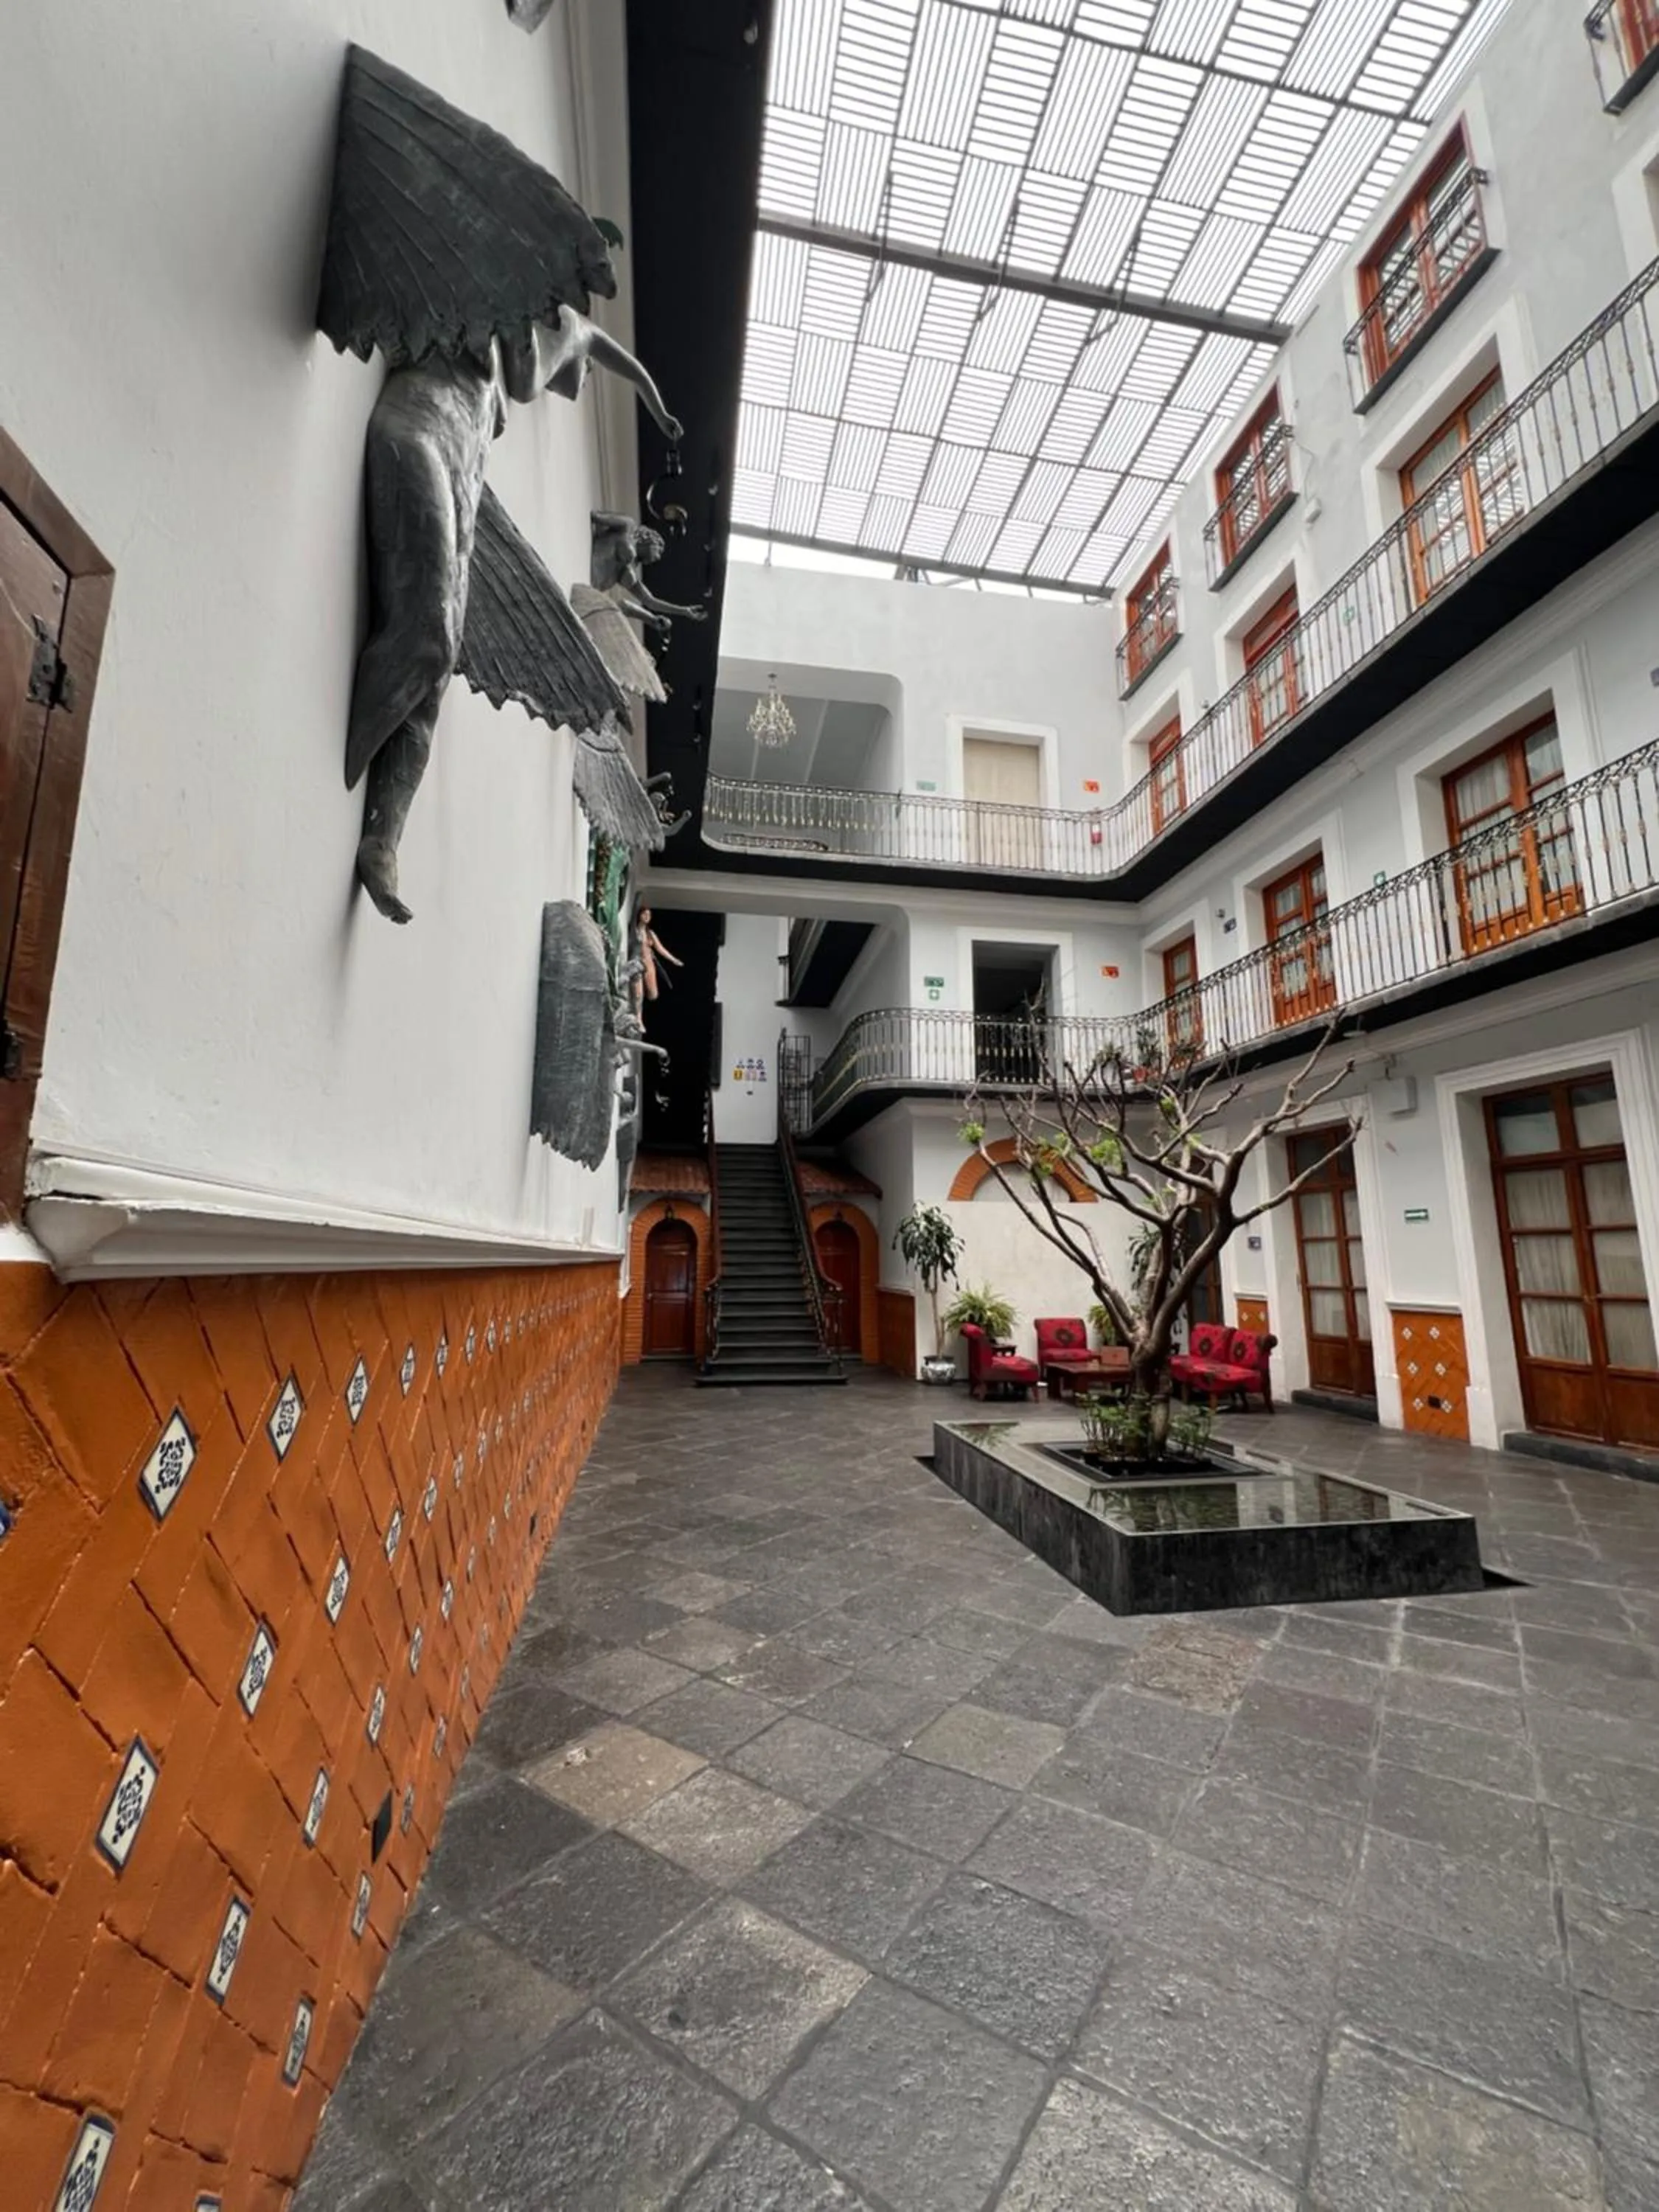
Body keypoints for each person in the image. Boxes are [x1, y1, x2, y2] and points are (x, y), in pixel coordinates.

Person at [347, 310, 682, 923]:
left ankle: (383, 837)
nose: (574, 386)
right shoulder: (531, 321)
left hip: (463, 459)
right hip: (426, 424)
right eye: (575, 374)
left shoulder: (506, 371)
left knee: (437, 666)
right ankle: (353, 774)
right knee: (432, 642)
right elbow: (598, 344)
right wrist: (652, 403)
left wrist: (667, 612)